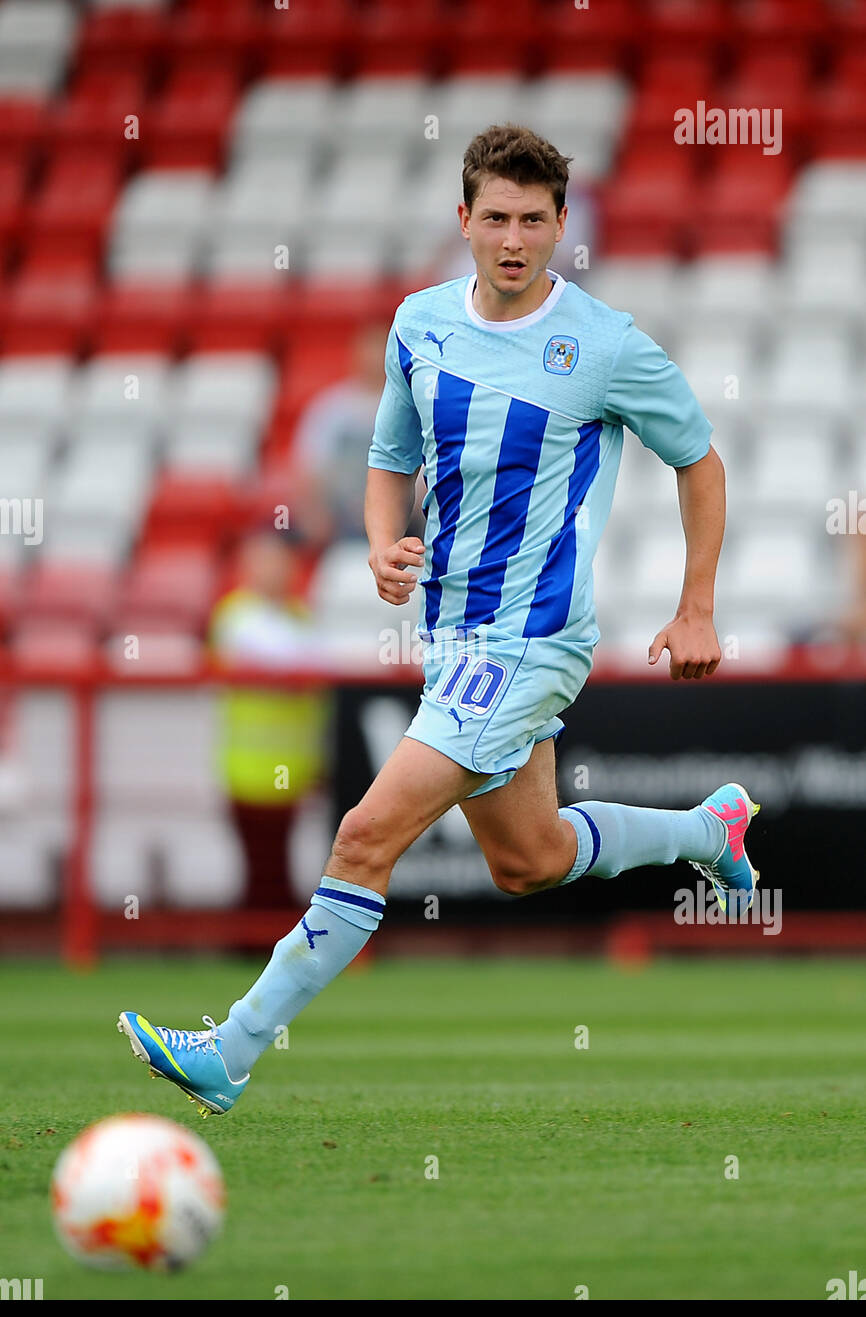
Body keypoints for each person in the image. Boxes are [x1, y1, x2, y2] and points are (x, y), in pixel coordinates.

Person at [118, 125, 760, 1117]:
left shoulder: (603, 343)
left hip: (533, 638)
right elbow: (388, 456)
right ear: (461, 221)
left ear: (558, 230)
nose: (512, 237)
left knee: (362, 838)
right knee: (527, 859)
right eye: (494, 217)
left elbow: (699, 461)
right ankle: (705, 827)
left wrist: (695, 605)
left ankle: (229, 1049)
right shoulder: (418, 324)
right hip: (452, 639)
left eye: (532, 220)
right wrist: (382, 541)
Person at [209, 526, 331, 910]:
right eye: (268, 560)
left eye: (283, 560)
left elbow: (314, 663)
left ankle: (266, 951)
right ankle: (252, 952)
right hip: (250, 774)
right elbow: (292, 658)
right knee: (263, 875)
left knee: (281, 872)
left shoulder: (299, 615)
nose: (278, 569)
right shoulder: (235, 615)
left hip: (296, 771)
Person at [289, 321, 426, 544]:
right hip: (339, 518)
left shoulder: (413, 407)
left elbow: (423, 474)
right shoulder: (330, 408)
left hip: (401, 517)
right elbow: (310, 468)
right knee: (277, 526)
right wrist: (319, 512)